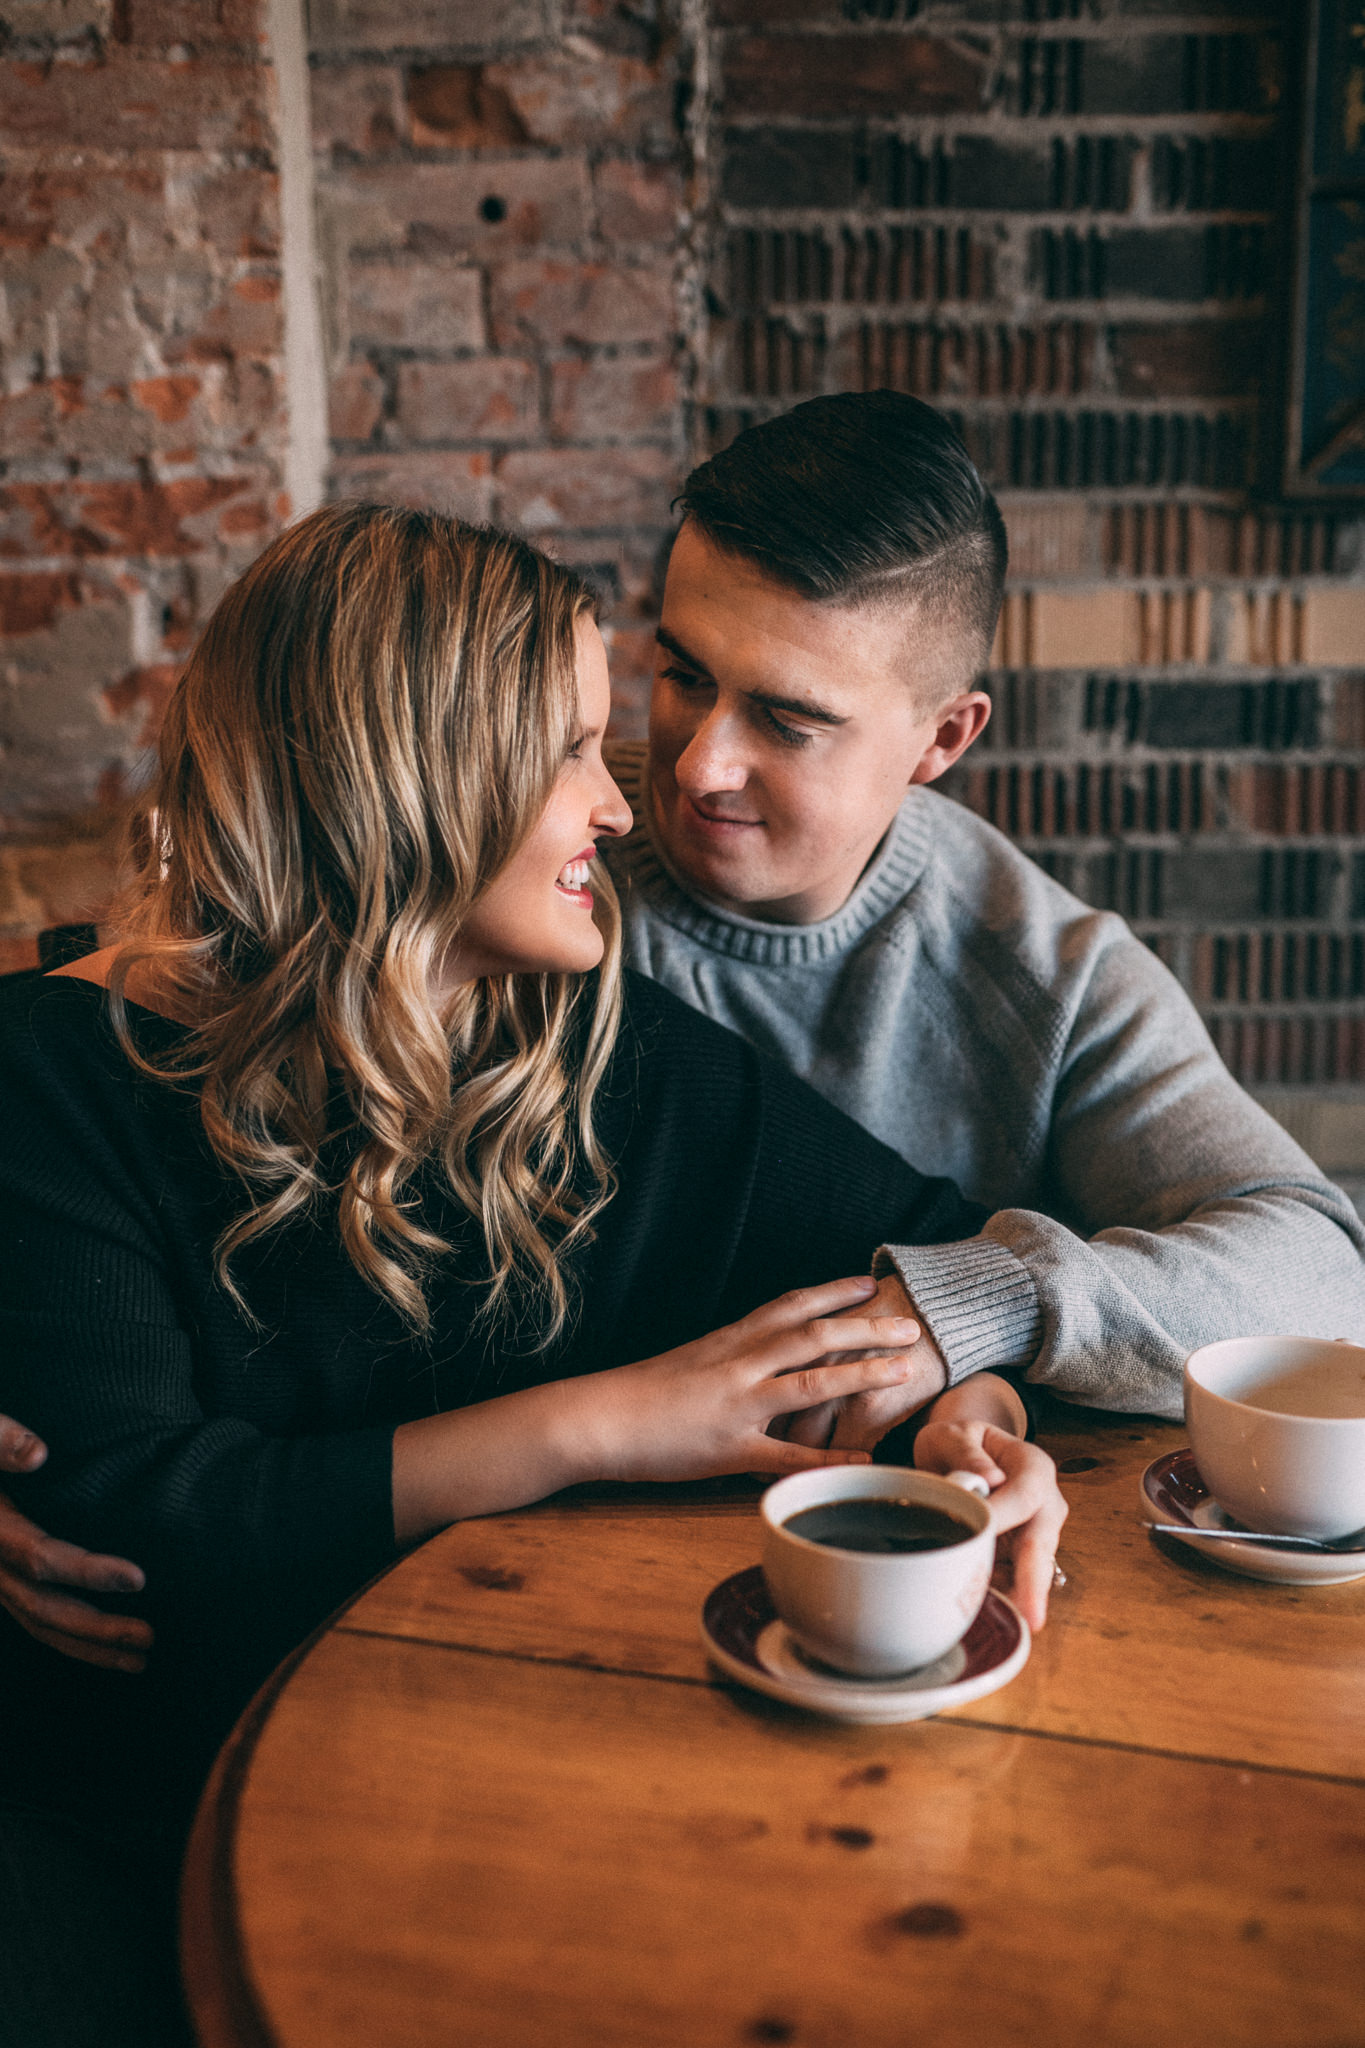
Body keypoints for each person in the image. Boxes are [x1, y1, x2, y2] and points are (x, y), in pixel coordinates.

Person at [0, 504, 1062, 2043]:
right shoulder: (61, 1071)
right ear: (417, 779)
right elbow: (122, 1552)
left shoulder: (588, 1042)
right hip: (128, 1841)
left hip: (494, 1790)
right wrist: (593, 1424)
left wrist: (967, 1396)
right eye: (570, 750)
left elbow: (925, 1252)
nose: (620, 808)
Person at [600, 389, 1365, 1449]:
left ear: (942, 740)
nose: (698, 763)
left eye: (787, 719)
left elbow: (1323, 1278)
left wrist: (988, 1302)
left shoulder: (1045, 969)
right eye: (683, 673)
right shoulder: (527, 858)